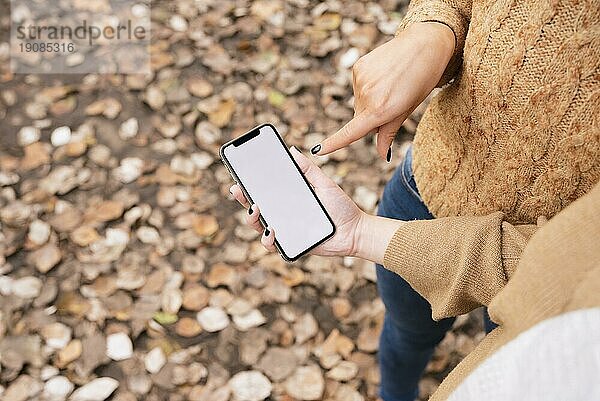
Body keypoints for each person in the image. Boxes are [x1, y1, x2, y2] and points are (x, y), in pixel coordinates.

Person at [230, 0, 599, 399]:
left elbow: (571, 261)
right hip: (425, 191)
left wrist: (363, 234)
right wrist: (434, 32)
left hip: (557, 291)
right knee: (406, 335)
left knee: (504, 365)